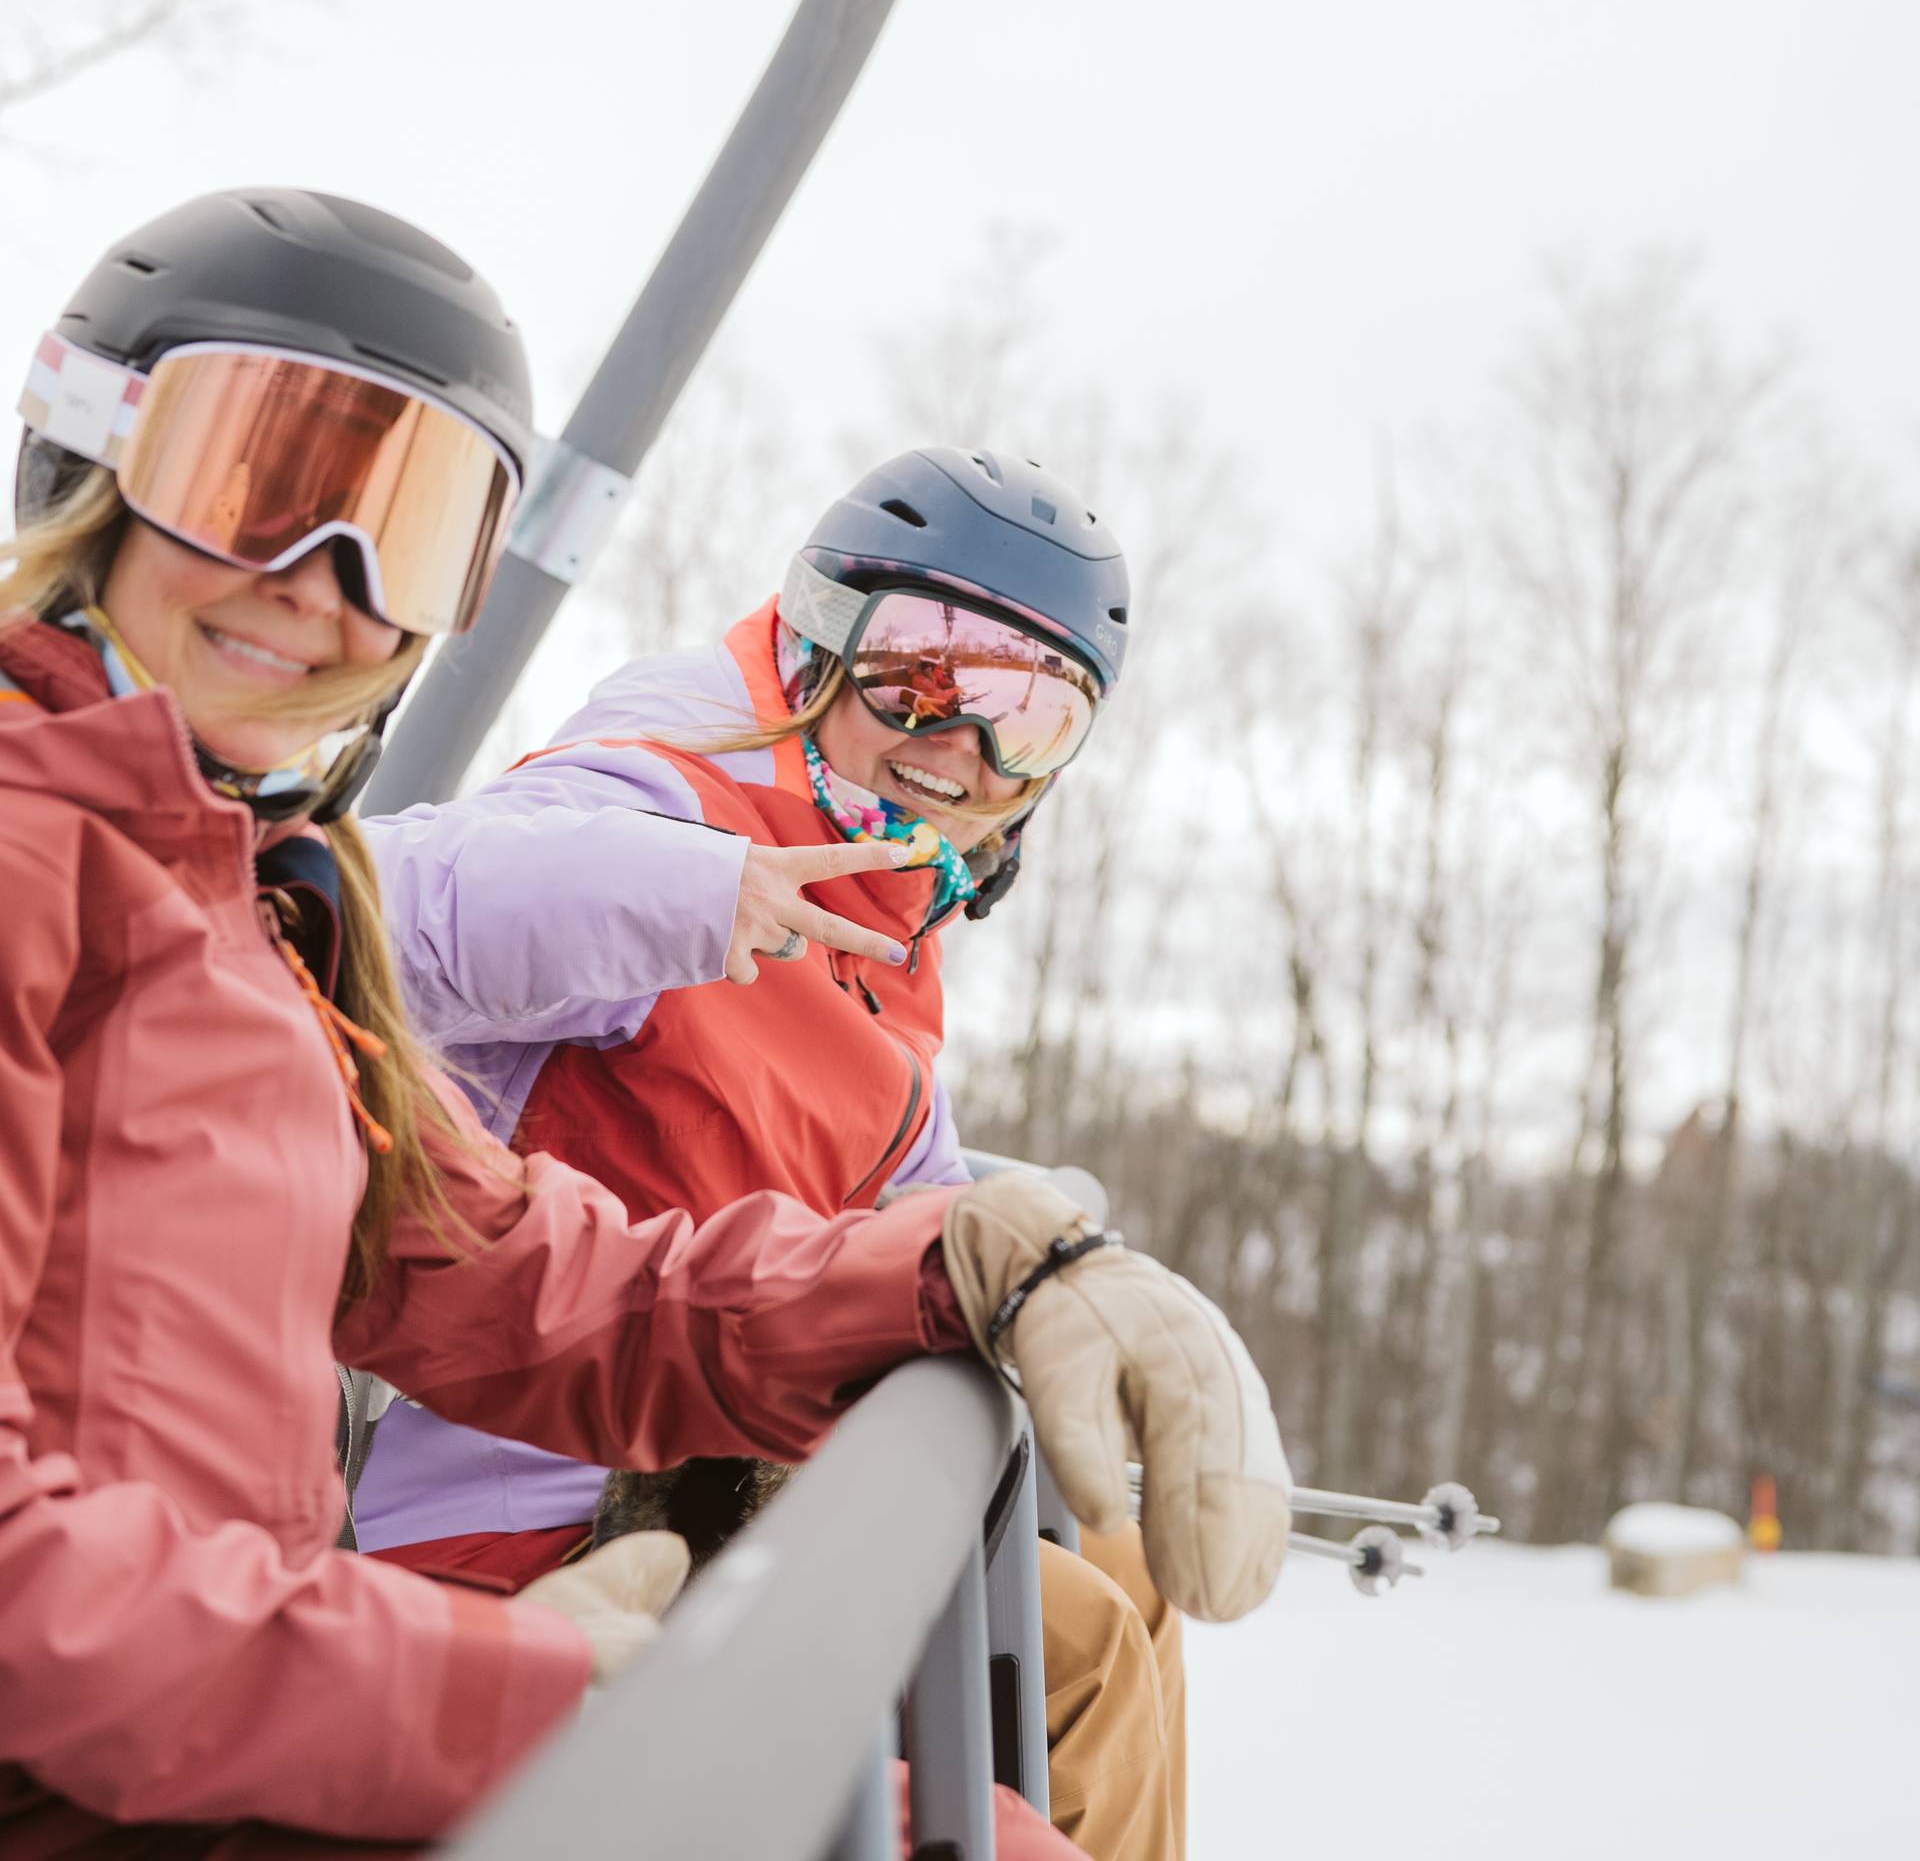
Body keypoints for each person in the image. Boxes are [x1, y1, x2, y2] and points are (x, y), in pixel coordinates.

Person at [0, 190, 1294, 1860]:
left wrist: (957, 1264)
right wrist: (499, 1689)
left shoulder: (249, 915)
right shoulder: (58, 876)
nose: (324, 588)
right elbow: (487, 886)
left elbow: (523, 1286)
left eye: (411, 529)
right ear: (86, 449)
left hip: (232, 1738)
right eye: (258, 481)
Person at [356, 449, 1229, 1860]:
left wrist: (1052, 1270)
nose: (964, 749)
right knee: (1082, 1652)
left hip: (730, 1481)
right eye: (920, 678)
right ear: (819, 640)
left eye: (1030, 718)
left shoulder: (884, 932)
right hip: (549, 1523)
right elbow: (387, 906)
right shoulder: (664, 796)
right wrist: (677, 881)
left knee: (1129, 1569)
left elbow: (909, 1187)